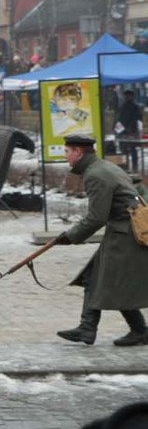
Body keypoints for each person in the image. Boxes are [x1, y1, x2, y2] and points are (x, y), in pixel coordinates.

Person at [54, 134, 148, 346]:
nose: (65, 156)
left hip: (125, 235)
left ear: (78, 152)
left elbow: (97, 217)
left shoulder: (95, 175)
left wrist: (71, 236)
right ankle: (89, 329)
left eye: (67, 151)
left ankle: (136, 330)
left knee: (111, 281)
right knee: (96, 276)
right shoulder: (104, 167)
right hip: (125, 231)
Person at [116, 89, 143, 172]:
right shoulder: (122, 106)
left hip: (132, 131)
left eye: (128, 96)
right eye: (125, 96)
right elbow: (119, 119)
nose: (126, 97)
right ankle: (125, 166)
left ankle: (134, 166)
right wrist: (119, 129)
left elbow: (138, 118)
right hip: (123, 131)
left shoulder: (135, 107)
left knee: (133, 149)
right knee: (123, 150)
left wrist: (131, 128)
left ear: (132, 96)